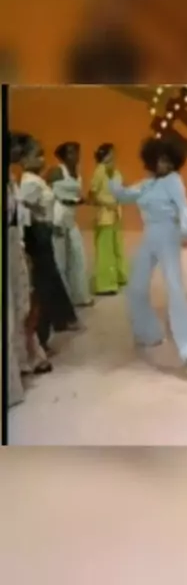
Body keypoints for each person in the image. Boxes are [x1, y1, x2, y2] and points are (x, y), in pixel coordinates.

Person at [108, 137, 187, 377]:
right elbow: (124, 195)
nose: (165, 165)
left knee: (175, 290)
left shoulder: (174, 181)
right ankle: (149, 333)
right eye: (161, 160)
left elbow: (183, 207)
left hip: (168, 235)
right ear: (151, 160)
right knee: (135, 287)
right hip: (149, 234)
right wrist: (112, 176)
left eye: (169, 161)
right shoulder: (147, 183)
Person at [17, 137, 81, 352]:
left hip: (43, 232)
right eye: (37, 155)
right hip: (37, 235)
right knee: (44, 285)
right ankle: (41, 337)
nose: (42, 159)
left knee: (50, 280)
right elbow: (23, 210)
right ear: (24, 160)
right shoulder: (29, 183)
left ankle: (57, 323)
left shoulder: (36, 180)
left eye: (43, 154)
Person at [8, 133, 52, 407]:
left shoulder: (12, 179)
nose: (20, 153)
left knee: (22, 307)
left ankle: (25, 360)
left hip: (16, 246)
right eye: (17, 147)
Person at [46, 142, 93, 307]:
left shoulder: (77, 173)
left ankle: (80, 296)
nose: (76, 156)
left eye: (77, 152)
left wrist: (84, 200)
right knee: (60, 259)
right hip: (58, 216)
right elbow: (48, 194)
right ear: (63, 156)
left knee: (78, 256)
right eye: (71, 153)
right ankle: (62, 300)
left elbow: (75, 197)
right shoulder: (57, 171)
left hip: (71, 218)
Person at [88, 143, 128, 295]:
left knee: (117, 247)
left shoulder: (116, 172)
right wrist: (107, 203)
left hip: (116, 214)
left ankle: (118, 276)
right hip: (104, 215)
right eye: (111, 153)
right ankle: (105, 284)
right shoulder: (100, 171)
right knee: (105, 250)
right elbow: (92, 195)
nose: (114, 155)